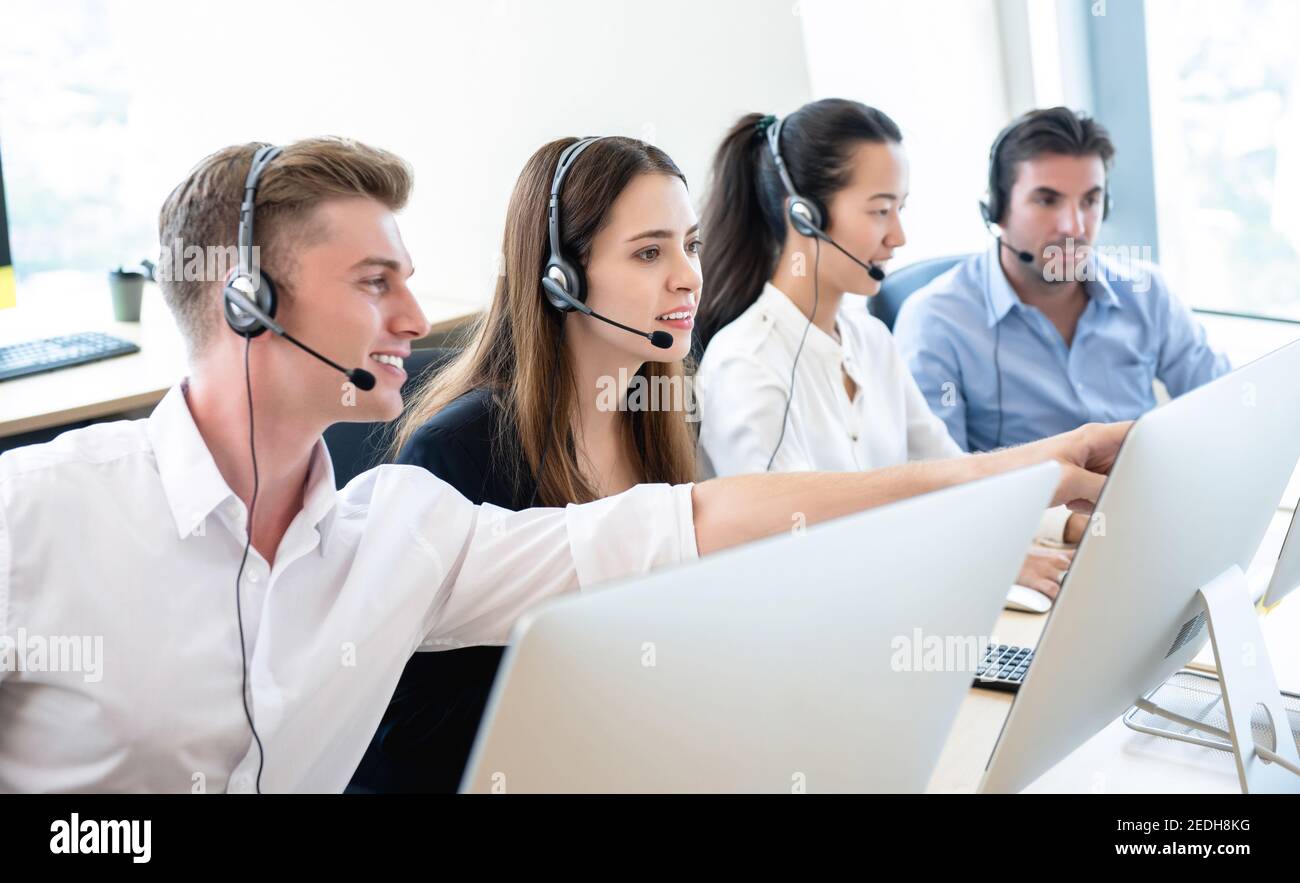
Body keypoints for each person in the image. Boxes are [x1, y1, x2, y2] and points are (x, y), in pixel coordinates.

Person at [0, 135, 1126, 793]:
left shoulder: (400, 533)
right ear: (246, 302)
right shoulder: (38, 512)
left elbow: (698, 522)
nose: (413, 311)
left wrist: (1014, 471)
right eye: (371, 282)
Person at [350, 135, 702, 792]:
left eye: (692, 244)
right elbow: (406, 738)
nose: (687, 275)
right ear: (560, 278)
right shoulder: (457, 453)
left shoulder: (661, 416)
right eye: (650, 251)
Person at [694, 99, 1086, 571]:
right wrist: (979, 555)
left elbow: (948, 473)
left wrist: (1063, 524)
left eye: (899, 209)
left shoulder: (870, 338)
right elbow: (790, 551)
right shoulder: (747, 363)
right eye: (881, 211)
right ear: (803, 216)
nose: (898, 236)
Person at [893, 107, 1231, 452]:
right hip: (1024, 506)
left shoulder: (1146, 293)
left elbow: (1225, 403)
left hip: (1146, 498)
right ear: (996, 209)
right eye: (1047, 200)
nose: (1074, 226)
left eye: (1090, 201)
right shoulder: (936, 322)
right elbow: (937, 480)